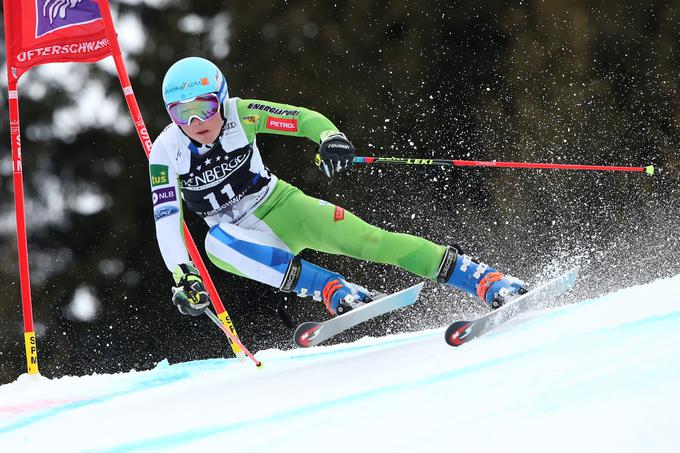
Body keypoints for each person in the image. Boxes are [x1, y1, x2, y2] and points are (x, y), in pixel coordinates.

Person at [149, 56, 527, 319]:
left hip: (282, 207)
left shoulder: (241, 113)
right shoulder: (165, 152)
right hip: (241, 240)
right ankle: (331, 289)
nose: (197, 120)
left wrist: (329, 137)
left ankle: (484, 279)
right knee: (214, 243)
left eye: (206, 106)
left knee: (373, 241)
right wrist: (184, 274)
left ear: (222, 98)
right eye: (183, 112)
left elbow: (301, 119)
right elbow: (167, 220)